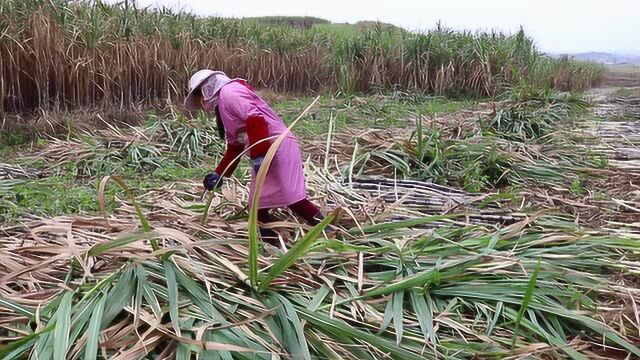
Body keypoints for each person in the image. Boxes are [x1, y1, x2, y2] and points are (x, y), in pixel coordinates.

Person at [184, 69, 334, 245]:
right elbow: (235, 145)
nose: (201, 101)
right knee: (258, 204)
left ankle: (327, 230)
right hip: (266, 150)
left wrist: (260, 156)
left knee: (291, 197)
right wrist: (220, 174)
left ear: (207, 88)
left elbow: (256, 119)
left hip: (277, 147)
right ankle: (271, 245)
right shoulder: (224, 104)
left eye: (199, 94)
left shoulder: (230, 93)